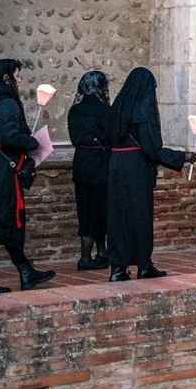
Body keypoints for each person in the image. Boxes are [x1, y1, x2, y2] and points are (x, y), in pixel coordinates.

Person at [0, 59, 54, 295]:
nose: (20, 80)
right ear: (6, 78)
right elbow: (9, 137)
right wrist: (32, 141)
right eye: (17, 76)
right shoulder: (5, 104)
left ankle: (25, 271)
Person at [106, 67, 195, 281]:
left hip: (116, 165)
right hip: (135, 167)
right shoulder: (143, 113)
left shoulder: (117, 109)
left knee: (118, 217)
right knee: (139, 216)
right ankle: (144, 265)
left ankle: (118, 268)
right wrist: (182, 156)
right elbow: (152, 149)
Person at [66, 71, 111, 271]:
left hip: (82, 163)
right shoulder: (105, 111)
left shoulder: (75, 110)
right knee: (100, 211)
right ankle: (87, 258)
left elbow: (74, 138)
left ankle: (100, 253)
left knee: (86, 211)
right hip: (101, 164)